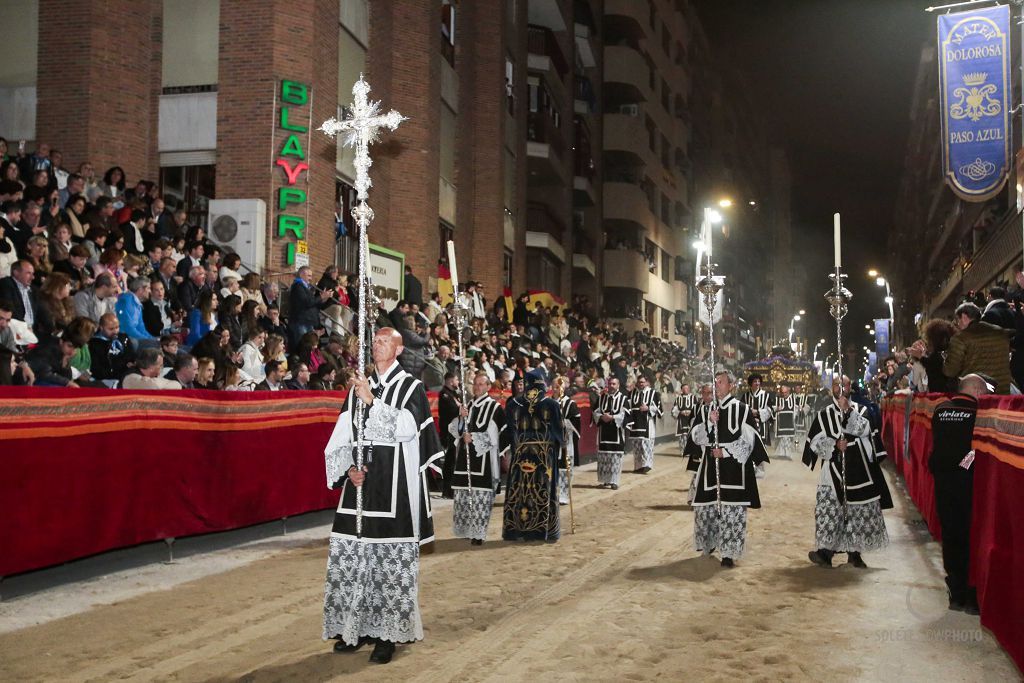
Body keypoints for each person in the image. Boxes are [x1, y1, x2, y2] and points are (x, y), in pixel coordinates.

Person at [322, 327, 443, 664]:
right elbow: (343, 432)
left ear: (399, 349)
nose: (377, 345)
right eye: (374, 341)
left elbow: (406, 428)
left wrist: (372, 401)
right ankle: (354, 629)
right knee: (355, 559)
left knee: (386, 564)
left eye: (385, 341)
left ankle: (386, 636)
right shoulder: (359, 385)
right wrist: (348, 469)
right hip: (360, 487)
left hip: (394, 487)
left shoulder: (411, 387)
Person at [804, 375, 891, 569]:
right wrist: (834, 444)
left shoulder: (862, 410)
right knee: (830, 510)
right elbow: (815, 443)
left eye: (843, 384)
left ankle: (855, 554)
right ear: (831, 389)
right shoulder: (824, 414)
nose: (839, 387)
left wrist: (848, 411)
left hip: (859, 470)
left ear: (850, 387)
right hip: (832, 470)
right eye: (836, 384)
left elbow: (866, 430)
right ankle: (826, 552)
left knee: (855, 512)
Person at [689, 371, 769, 568]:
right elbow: (696, 438)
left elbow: (750, 440)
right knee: (708, 509)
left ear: (731, 386)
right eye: (715, 382)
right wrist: (709, 421)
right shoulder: (707, 409)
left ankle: (728, 554)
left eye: (721, 382)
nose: (716, 385)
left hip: (734, 471)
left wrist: (724, 451)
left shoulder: (742, 409)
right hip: (710, 470)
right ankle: (709, 544)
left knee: (732, 511)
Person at [930, 374, 990, 614]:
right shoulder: (979, 413)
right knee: (971, 535)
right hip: (968, 482)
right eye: (984, 391)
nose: (986, 396)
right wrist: (966, 464)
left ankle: (956, 591)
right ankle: (972, 595)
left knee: (950, 532)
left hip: (943, 481)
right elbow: (977, 450)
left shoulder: (940, 410)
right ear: (975, 390)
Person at [448, 371, 509, 545]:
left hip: (483, 460)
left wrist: (473, 437)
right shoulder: (468, 405)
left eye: (481, 384)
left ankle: (478, 534)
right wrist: (461, 418)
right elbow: (454, 429)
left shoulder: (494, 407)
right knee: (464, 496)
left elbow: (497, 436)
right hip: (464, 459)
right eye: (475, 383)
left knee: (481, 496)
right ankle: (467, 529)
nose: (477, 387)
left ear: (489, 387)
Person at [502, 369, 563, 542]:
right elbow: (559, 433)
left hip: (521, 454)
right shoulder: (552, 404)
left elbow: (509, 431)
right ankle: (543, 530)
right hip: (544, 455)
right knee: (542, 490)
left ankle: (517, 529)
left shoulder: (513, 404)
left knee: (521, 490)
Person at [943, 302, 1013, 393]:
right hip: (1002, 391)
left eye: (958, 320)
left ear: (964, 317)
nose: (958, 325)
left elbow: (950, 371)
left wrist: (945, 360)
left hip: (976, 393)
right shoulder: (1000, 332)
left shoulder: (961, 338)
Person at [592, 377, 629, 489]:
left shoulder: (623, 399)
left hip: (616, 433)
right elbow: (595, 412)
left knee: (615, 457)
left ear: (618, 385)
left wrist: (612, 417)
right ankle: (605, 480)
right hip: (603, 432)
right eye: (610, 383)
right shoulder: (602, 397)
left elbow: (626, 415)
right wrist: (602, 417)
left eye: (614, 384)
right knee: (604, 457)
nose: (612, 386)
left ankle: (614, 481)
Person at [553, 375, 581, 506]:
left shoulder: (570, 404)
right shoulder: (549, 402)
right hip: (551, 442)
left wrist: (564, 423)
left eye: (558, 386)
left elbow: (576, 423)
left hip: (565, 442)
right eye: (554, 386)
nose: (556, 389)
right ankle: (552, 494)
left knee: (565, 469)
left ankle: (564, 495)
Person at [625, 375, 662, 474]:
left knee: (647, 445)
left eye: (643, 382)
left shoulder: (653, 393)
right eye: (639, 382)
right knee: (637, 446)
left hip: (647, 423)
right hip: (635, 423)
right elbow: (627, 406)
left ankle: (647, 465)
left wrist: (648, 408)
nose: (641, 384)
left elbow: (658, 408)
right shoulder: (632, 393)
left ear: (647, 382)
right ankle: (638, 467)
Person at [88, 313, 136, 387]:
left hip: (126, 373)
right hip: (108, 377)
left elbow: (131, 355)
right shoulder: (94, 343)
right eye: (111, 329)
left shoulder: (123, 337)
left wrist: (132, 363)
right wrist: (124, 365)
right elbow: (97, 368)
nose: (115, 331)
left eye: (117, 327)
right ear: (101, 327)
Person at [288, 265, 332, 347]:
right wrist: (321, 297)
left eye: (311, 276)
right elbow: (307, 302)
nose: (311, 278)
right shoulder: (298, 286)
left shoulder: (305, 287)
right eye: (309, 276)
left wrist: (323, 299)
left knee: (309, 346)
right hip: (301, 322)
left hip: (307, 322)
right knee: (302, 345)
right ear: (301, 275)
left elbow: (313, 304)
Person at [437, 370, 463, 498]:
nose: (458, 382)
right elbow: (453, 410)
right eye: (457, 380)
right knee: (450, 461)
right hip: (448, 433)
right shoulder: (444, 394)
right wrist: (460, 409)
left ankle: (453, 487)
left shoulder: (455, 394)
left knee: (455, 460)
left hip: (457, 431)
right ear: (451, 380)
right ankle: (447, 489)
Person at [742, 373, 774, 446]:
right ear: (750, 383)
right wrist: (750, 413)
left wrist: (758, 412)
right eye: (755, 381)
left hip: (762, 424)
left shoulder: (766, 395)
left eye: (758, 381)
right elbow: (741, 409)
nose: (757, 383)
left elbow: (770, 410)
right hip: (749, 425)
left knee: (762, 446)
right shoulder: (745, 396)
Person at [672, 383, 697, 456]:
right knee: (682, 436)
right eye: (684, 388)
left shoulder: (693, 397)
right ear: (681, 390)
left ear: (689, 389)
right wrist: (680, 412)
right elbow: (674, 409)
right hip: (682, 419)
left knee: (691, 435)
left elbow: (697, 408)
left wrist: (691, 412)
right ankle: (683, 451)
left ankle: (691, 451)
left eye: (687, 388)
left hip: (691, 419)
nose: (685, 390)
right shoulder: (678, 398)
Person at [773, 385, 798, 458]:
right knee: (783, 437)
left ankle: (787, 453)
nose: (784, 394)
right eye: (782, 392)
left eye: (785, 392)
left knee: (787, 438)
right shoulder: (777, 398)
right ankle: (782, 453)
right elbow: (772, 408)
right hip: (781, 422)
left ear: (789, 391)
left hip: (790, 422)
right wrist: (776, 408)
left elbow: (796, 410)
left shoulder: (793, 398)